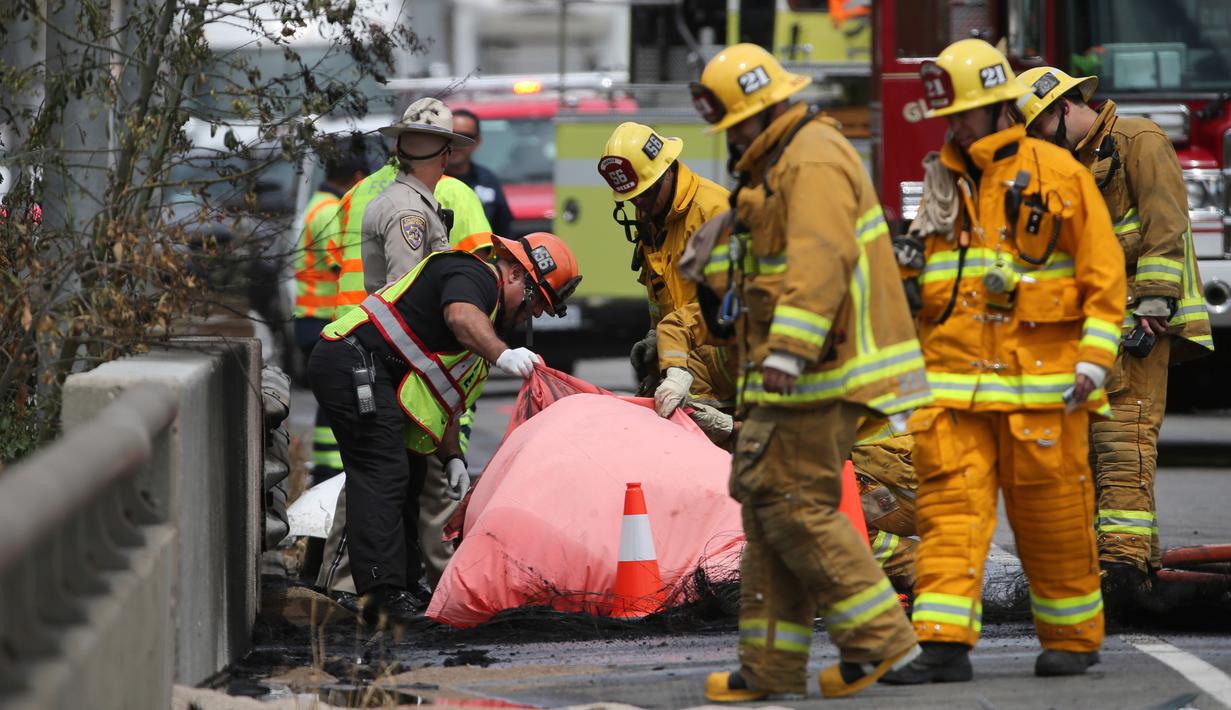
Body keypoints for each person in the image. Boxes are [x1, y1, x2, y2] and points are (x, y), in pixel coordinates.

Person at [880, 39, 1126, 685]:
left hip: (1045, 392)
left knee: (1053, 519)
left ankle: (1071, 640)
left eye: (964, 114)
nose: (954, 127)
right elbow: (926, 297)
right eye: (949, 117)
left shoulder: (1058, 174)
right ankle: (941, 645)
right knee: (948, 517)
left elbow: (1104, 282)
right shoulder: (942, 185)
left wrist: (1093, 365)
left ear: (998, 108)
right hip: (954, 393)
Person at [690, 42, 929, 701]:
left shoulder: (812, 158)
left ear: (758, 111)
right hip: (792, 375)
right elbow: (762, 278)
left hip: (819, 374)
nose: (732, 137)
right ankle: (769, 669)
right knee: (769, 514)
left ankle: (882, 644)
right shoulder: (777, 166)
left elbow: (818, 261)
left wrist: (789, 353)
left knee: (793, 507)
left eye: (734, 122)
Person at [1015, 66, 1214, 607]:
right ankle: (1135, 568)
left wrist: (1154, 301)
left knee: (1123, 445)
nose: (1035, 142)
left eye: (1037, 129)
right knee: (1092, 455)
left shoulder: (1137, 140)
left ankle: (1123, 575)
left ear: (1063, 109)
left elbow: (1166, 223)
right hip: (1097, 329)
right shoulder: (1065, 166)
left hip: (1141, 324)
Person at [308, 232, 581, 624]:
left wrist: (452, 456)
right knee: (384, 470)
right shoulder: (474, 276)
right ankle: (380, 591)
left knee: (411, 472)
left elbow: (444, 398)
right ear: (518, 274)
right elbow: (459, 316)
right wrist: (503, 355)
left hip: (369, 369)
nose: (533, 314)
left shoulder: (485, 322)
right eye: (536, 300)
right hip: (350, 360)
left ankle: (400, 582)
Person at [316, 101, 493, 597]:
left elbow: (335, 263)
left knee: (375, 480)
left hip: (359, 345)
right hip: (399, 358)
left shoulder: (358, 193)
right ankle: (434, 593)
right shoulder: (435, 201)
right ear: (446, 153)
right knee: (410, 484)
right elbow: (439, 291)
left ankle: (349, 587)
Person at [596, 122, 730, 399]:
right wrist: (655, 337)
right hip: (683, 363)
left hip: (725, 367)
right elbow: (660, 296)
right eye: (632, 198)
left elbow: (732, 303)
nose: (639, 205)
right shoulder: (654, 223)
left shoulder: (713, 212)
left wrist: (673, 340)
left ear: (667, 171)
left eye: (644, 194)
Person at [293, 139, 368, 484]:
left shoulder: (321, 205)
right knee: (340, 399)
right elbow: (344, 263)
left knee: (332, 399)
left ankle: (328, 471)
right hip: (321, 319)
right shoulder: (329, 211)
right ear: (356, 177)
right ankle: (329, 472)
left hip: (315, 320)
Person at [446, 108, 514, 237]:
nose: (457, 144)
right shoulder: (428, 180)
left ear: (477, 142)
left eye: (465, 137)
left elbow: (504, 232)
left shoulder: (488, 181)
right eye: (452, 136)